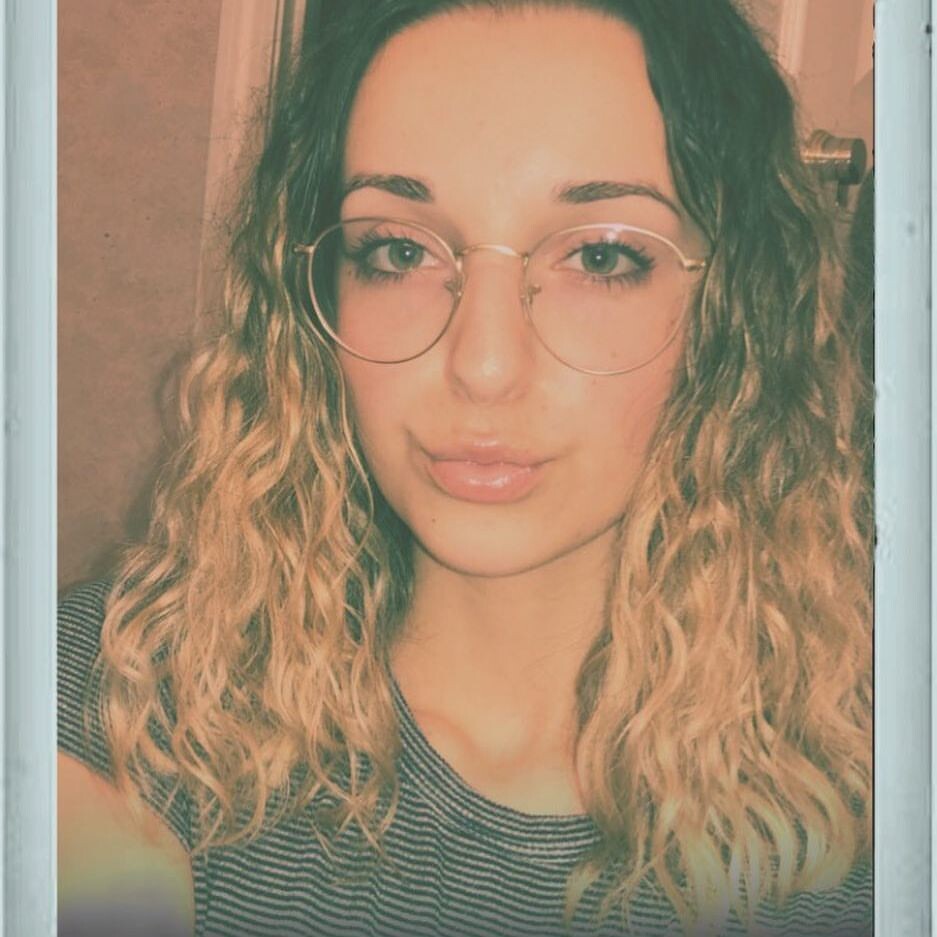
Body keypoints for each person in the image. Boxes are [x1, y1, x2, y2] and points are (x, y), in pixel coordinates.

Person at [57, 1, 873, 935]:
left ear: (735, 311)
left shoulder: (877, 808)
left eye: (601, 256)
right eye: (398, 250)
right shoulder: (118, 712)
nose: (482, 364)